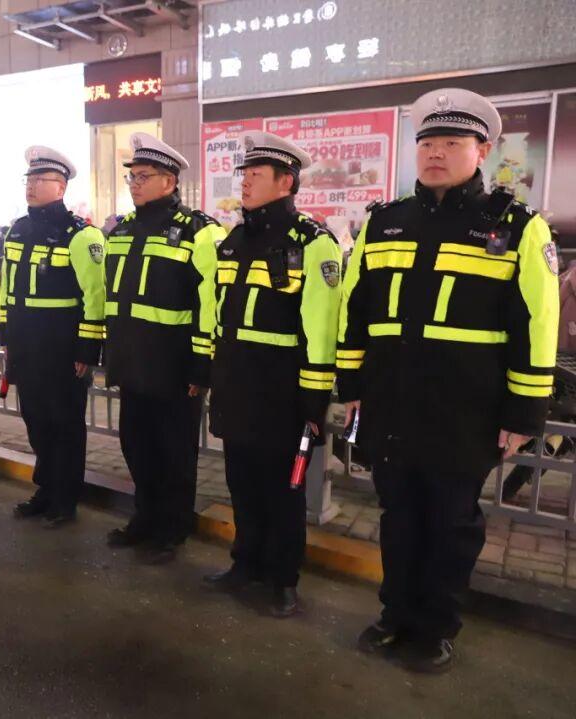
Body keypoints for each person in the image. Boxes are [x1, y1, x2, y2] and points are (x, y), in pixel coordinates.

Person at [339, 89, 559, 673]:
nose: (435, 153)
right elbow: (355, 310)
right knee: (398, 517)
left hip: (466, 411)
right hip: (391, 403)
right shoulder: (385, 222)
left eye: (452, 143)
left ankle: (434, 627)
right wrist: (350, 384)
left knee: (451, 524)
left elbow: (536, 324)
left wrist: (524, 413)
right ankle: (395, 615)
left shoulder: (516, 227)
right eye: (428, 143)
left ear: (482, 150)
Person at [202, 132, 343, 617]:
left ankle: (282, 579)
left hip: (283, 393)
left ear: (286, 182)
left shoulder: (313, 243)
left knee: (284, 492)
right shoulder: (234, 240)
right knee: (242, 483)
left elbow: (321, 328)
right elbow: (220, 316)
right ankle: (245, 565)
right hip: (236, 386)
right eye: (243, 174)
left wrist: (314, 399)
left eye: (255, 175)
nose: (244, 182)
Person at [102, 133, 224, 564]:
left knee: (174, 452)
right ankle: (145, 518)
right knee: (137, 447)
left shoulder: (200, 231)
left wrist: (201, 363)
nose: (134, 184)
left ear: (169, 182)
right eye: (132, 176)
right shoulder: (122, 230)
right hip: (132, 361)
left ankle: (173, 528)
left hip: (174, 366)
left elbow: (211, 302)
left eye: (143, 176)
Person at [2, 146, 106, 527]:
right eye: (28, 179)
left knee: (65, 425)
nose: (30, 185)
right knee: (36, 420)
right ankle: (45, 490)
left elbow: (95, 297)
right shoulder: (17, 229)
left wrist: (87, 349)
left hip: (62, 349)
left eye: (39, 179)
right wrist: (6, 336)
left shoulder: (81, 235)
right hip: (26, 347)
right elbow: (8, 290)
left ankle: (65, 498)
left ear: (60, 187)